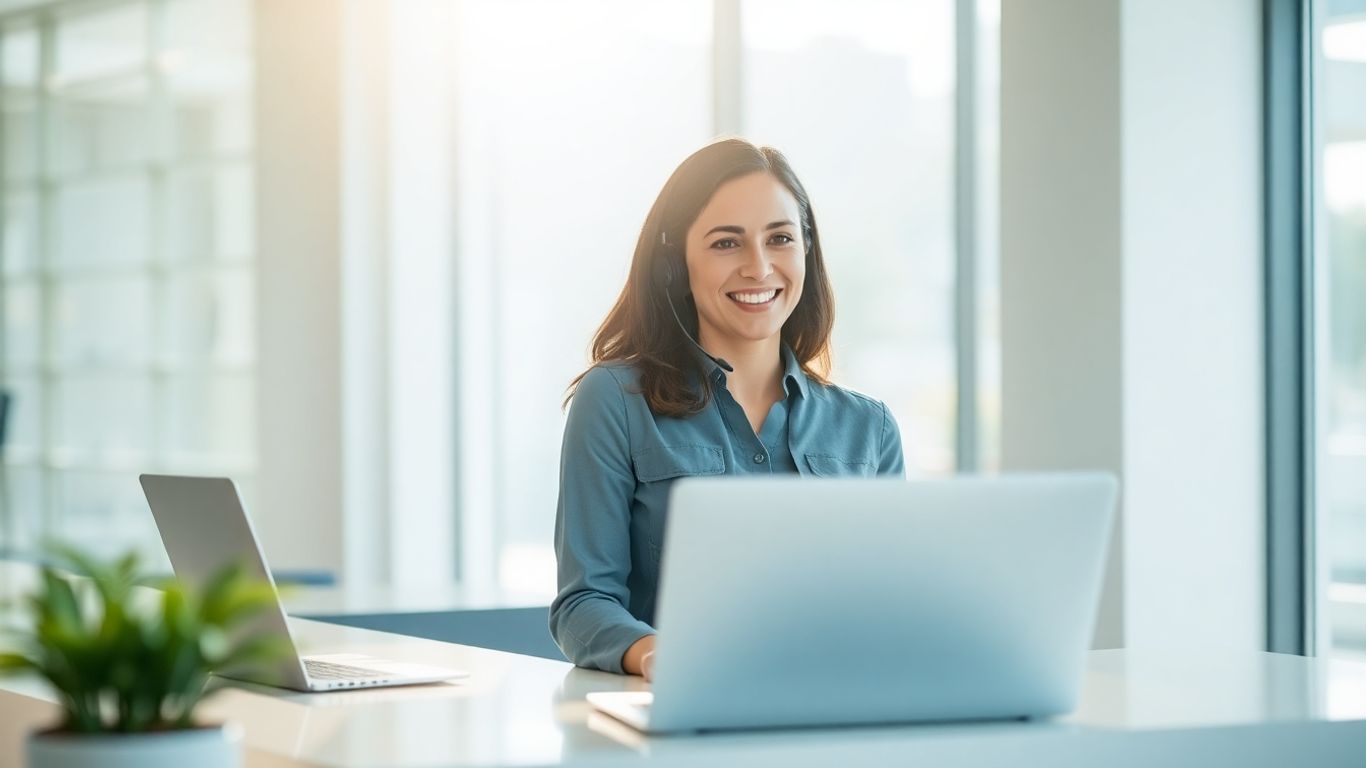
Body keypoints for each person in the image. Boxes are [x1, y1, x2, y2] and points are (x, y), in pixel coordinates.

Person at [549, 138, 905, 678]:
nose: (758, 268)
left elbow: (889, 609)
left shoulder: (869, 430)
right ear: (676, 261)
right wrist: (656, 654)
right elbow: (583, 604)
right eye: (725, 244)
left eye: (780, 238)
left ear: (806, 250)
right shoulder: (615, 402)